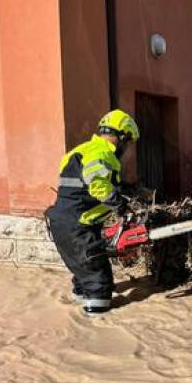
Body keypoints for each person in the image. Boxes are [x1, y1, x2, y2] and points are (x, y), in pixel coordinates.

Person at [46, 109, 140, 316]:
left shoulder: (80, 151)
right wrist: (119, 205)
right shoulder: (103, 153)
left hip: (64, 222)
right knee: (99, 280)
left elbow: (83, 184)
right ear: (122, 136)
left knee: (83, 271)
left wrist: (128, 188)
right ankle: (96, 319)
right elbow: (97, 184)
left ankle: (80, 306)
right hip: (79, 225)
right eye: (128, 142)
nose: (127, 148)